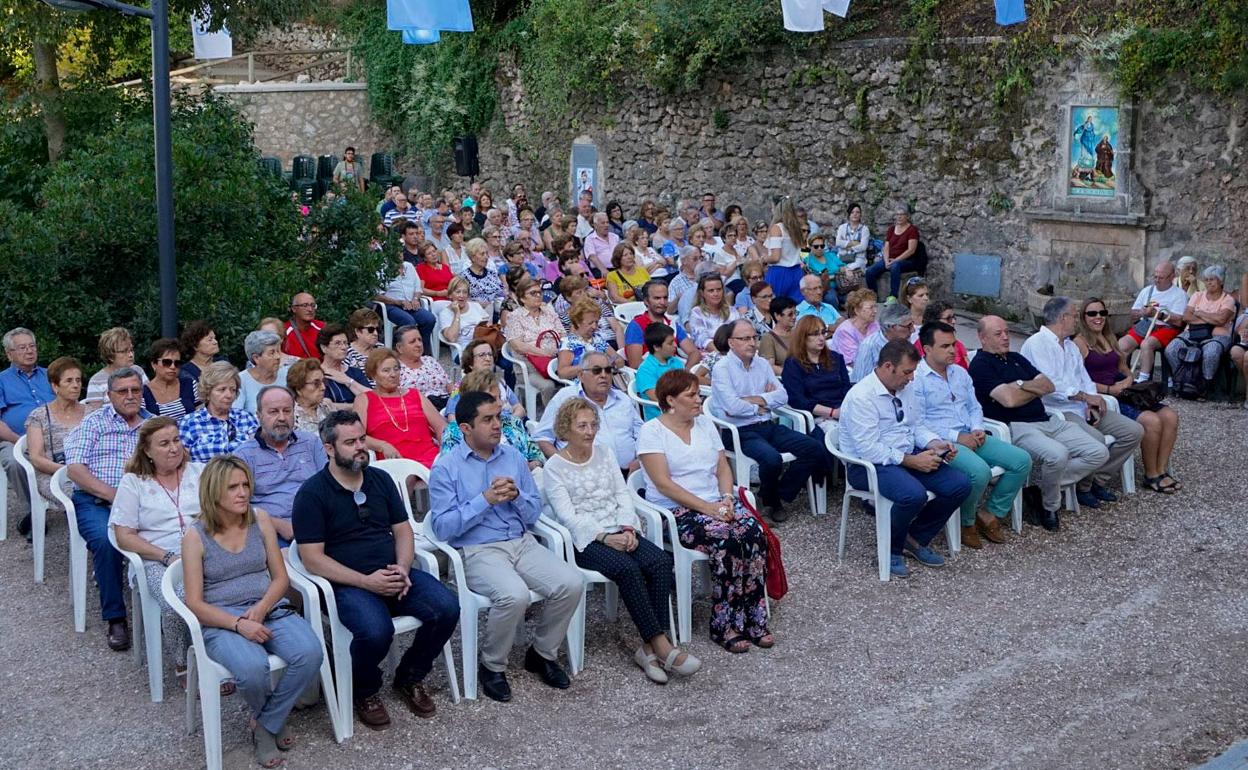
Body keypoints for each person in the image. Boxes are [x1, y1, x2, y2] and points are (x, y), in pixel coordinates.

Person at [293, 411, 460, 727]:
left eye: (362, 439)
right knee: (375, 631)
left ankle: (409, 677)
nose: (361, 447)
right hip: (348, 584)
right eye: (350, 442)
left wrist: (403, 568)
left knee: (447, 608)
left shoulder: (380, 479)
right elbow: (312, 559)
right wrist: (366, 582)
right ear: (328, 448)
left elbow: (403, 530)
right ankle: (365, 689)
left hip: (393, 572)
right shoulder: (313, 494)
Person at [428, 391, 584, 703]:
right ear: (466, 428)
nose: (497, 425)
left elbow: (533, 513)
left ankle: (542, 653)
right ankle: (492, 665)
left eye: (498, 417)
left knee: (571, 582)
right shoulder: (446, 467)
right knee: (514, 595)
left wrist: (518, 498)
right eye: (487, 419)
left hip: (521, 542)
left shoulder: (512, 457)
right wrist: (482, 501)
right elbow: (443, 529)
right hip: (478, 549)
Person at [543, 398, 700, 683]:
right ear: (566, 429)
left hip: (621, 528)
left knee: (660, 561)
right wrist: (604, 536)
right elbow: (567, 516)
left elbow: (622, 494)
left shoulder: (603, 453)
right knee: (628, 570)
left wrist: (628, 528)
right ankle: (662, 644)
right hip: (587, 540)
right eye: (582, 426)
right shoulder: (554, 467)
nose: (590, 431)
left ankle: (648, 649)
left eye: (593, 425)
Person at [183, 455, 325, 766]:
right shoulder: (195, 536)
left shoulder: (260, 519)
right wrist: (237, 624)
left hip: (268, 607)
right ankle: (272, 722)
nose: (242, 492)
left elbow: (280, 577)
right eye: (232, 487)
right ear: (213, 491)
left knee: (311, 652)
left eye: (245, 484)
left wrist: (261, 609)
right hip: (222, 620)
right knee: (251, 670)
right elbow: (194, 603)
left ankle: (265, 724)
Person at [638, 369, 772, 652]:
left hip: (715, 504)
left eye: (699, 393)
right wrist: (708, 508)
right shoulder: (651, 431)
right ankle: (724, 624)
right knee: (727, 540)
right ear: (671, 400)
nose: (699, 400)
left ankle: (752, 617)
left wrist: (726, 498)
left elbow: (723, 467)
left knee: (754, 532)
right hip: (676, 511)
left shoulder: (705, 424)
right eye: (692, 395)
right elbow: (663, 484)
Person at [839, 340, 971, 578]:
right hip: (867, 466)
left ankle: (913, 538)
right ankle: (890, 550)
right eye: (907, 372)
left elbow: (916, 425)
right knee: (913, 495)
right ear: (888, 366)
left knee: (959, 485)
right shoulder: (861, 396)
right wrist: (911, 460)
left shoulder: (904, 387)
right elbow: (869, 449)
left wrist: (935, 443)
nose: (911, 379)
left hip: (904, 456)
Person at [969, 316, 1110, 531]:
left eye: (1007, 331)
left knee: (1099, 452)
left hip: (1048, 420)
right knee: (1057, 455)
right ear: (982, 338)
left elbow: (1049, 385)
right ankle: (1050, 506)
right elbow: (1009, 401)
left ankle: (1042, 488)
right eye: (998, 334)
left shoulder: (1016, 358)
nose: (1006, 337)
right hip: (1018, 426)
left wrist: (1018, 385)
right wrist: (1031, 388)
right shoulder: (981, 365)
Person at [913, 322, 1032, 548]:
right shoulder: (917, 378)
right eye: (945, 346)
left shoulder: (959, 373)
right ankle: (966, 522)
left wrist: (977, 427)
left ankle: (990, 514)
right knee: (979, 472)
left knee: (1021, 460)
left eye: (953, 345)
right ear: (927, 349)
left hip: (972, 433)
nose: (952, 350)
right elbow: (918, 423)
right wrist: (958, 437)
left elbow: (974, 406)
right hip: (943, 442)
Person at [1021, 297, 1144, 508]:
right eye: (1074, 315)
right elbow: (1050, 386)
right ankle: (1078, 487)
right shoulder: (1037, 344)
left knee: (1134, 431)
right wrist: (1085, 397)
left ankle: (1096, 479)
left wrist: (1091, 402)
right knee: (1097, 441)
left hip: (1080, 407)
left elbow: (1083, 379)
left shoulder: (1069, 346)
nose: (1077, 320)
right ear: (1063, 318)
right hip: (1056, 410)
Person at [109, 417, 203, 681]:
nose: (174, 448)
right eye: (164, 443)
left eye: (176, 440)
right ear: (147, 451)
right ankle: (183, 661)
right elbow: (124, 536)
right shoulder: (134, 482)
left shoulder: (200, 472)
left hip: (203, 550)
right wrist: (166, 556)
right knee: (176, 596)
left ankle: (216, 654)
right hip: (155, 558)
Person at [66, 367, 152, 650]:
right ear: (109, 395)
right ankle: (116, 617)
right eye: (123, 391)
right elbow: (75, 470)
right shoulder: (94, 423)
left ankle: (169, 611)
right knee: (106, 541)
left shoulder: (153, 425)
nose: (130, 396)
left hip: (145, 501)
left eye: (135, 390)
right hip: (97, 500)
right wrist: (116, 495)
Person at [710, 319, 827, 523]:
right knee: (772, 459)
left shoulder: (761, 364)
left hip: (767, 425)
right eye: (745, 338)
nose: (752, 343)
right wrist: (761, 404)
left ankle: (776, 493)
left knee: (815, 448)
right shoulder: (723, 368)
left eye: (754, 337)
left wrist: (754, 400)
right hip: (739, 432)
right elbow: (731, 407)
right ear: (731, 343)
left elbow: (783, 395)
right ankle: (773, 502)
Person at [1075, 297, 1181, 494]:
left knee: (1170, 416)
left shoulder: (1110, 338)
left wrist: (1127, 379)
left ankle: (1161, 469)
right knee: (1152, 421)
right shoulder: (1079, 343)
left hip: (1125, 391)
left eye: (1102, 313)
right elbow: (1077, 380)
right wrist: (1108, 390)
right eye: (1092, 313)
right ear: (1083, 317)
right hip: (1105, 395)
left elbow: (1124, 368)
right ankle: (1151, 475)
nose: (1098, 317)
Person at [234, 386, 326, 546]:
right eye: (274, 412)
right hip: (271, 533)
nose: (282, 417)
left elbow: (329, 486)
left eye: (287, 410)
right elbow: (235, 506)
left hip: (320, 524)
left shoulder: (311, 443)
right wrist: (278, 525)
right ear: (259, 416)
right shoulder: (243, 456)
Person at [535, 352, 643, 472]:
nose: (604, 375)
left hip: (631, 471)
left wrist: (640, 460)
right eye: (596, 371)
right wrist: (565, 465)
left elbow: (641, 432)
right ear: (581, 375)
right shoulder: (564, 398)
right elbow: (543, 438)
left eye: (608, 370)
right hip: (583, 474)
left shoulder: (622, 398)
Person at [355, 349, 445, 467]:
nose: (393, 374)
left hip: (430, 456)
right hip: (395, 460)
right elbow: (356, 436)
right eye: (386, 370)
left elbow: (442, 427)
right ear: (373, 375)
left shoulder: (415, 394)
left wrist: (445, 452)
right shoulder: (364, 400)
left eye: (396, 369)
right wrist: (382, 445)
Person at [0, 327, 55, 517]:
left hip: (55, 436)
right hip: (16, 439)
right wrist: (21, 442)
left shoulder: (51, 375)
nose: (29, 351)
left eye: (32, 346)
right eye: (22, 348)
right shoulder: (1, 381)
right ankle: (31, 514)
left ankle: (75, 503)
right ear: (9, 354)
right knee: (14, 462)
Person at [23, 357, 85, 526]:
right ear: (55, 386)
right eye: (69, 381)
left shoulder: (91, 413)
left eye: (78, 380)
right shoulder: (39, 416)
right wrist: (68, 471)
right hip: (53, 474)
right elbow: (36, 458)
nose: (76, 385)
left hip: (88, 471)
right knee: (84, 497)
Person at [439, 369, 542, 467]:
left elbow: (536, 453)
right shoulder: (455, 433)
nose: (500, 403)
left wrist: (533, 464)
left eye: (500, 397)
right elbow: (449, 472)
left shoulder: (511, 422)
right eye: (492, 399)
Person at [1163, 265, 1236, 394]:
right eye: (1206, 280)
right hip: (1191, 332)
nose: (1209, 283)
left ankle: (1205, 386)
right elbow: (1186, 317)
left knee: (1211, 352)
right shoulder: (1197, 295)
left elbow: (1221, 320)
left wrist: (1199, 312)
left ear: (1221, 281)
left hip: (1218, 335)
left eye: (1213, 279)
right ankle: (1183, 380)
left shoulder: (1228, 300)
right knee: (1171, 349)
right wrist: (1211, 318)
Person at [1118, 261, 1188, 383]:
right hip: (1145, 325)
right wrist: (1142, 313)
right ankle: (1121, 375)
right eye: (1155, 276)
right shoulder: (1147, 291)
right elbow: (1133, 313)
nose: (1157, 280)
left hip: (1166, 328)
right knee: (1122, 344)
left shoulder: (1179, 295)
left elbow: (1179, 321)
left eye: (1161, 277)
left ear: (1171, 277)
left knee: (1147, 344)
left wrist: (1158, 314)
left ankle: (1143, 380)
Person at [781, 315, 852, 430]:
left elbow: (847, 388)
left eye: (823, 332)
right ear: (803, 337)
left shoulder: (836, 358)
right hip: (816, 416)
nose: (821, 338)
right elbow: (798, 400)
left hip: (843, 411)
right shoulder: (793, 364)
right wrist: (832, 412)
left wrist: (845, 410)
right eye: (815, 334)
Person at [180, 363, 260, 463]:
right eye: (222, 389)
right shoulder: (189, 423)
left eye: (233, 390)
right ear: (208, 392)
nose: (229, 395)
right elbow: (182, 463)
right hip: (206, 477)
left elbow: (259, 453)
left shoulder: (246, 418)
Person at [502, 275, 561, 410]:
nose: (538, 296)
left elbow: (562, 335)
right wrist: (545, 353)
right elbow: (518, 346)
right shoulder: (515, 317)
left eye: (539, 292)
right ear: (522, 298)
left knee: (577, 374)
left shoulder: (549, 312)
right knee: (548, 385)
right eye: (533, 293)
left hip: (556, 362)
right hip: (530, 369)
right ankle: (551, 417)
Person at [623, 280, 702, 370]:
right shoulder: (636, 326)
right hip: (652, 377)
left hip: (677, 373)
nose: (662, 302)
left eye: (665, 298)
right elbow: (636, 364)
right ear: (646, 301)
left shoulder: (672, 324)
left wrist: (685, 372)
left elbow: (694, 353)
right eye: (657, 298)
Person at [445, 340, 527, 422]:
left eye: (490, 354)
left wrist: (508, 423)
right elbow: (452, 418)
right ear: (470, 363)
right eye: (482, 355)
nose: (488, 359)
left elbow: (519, 408)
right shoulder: (462, 387)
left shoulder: (500, 383)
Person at [375, 248, 438, 353]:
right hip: (390, 306)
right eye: (395, 252)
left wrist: (415, 299)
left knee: (429, 319)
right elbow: (376, 295)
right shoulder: (381, 269)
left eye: (400, 252)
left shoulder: (409, 266)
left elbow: (418, 288)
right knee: (409, 322)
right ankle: (407, 353)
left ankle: (424, 354)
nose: (399, 255)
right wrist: (398, 302)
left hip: (410, 304)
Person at [864, 203, 922, 301]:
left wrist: (895, 260)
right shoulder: (891, 229)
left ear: (907, 216)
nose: (899, 216)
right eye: (897, 214)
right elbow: (886, 247)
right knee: (869, 271)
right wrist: (886, 261)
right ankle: (873, 297)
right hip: (889, 259)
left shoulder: (912, 230)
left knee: (895, 266)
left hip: (906, 260)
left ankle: (893, 296)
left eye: (901, 214)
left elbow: (911, 250)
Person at [556, 297, 621, 380]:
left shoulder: (597, 338)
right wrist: (589, 366)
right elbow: (562, 373)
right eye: (590, 323)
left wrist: (611, 362)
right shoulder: (568, 343)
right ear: (578, 322)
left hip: (606, 382)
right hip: (583, 387)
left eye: (596, 322)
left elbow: (618, 359)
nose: (594, 326)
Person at [852, 302, 915, 382]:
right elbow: (859, 383)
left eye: (913, 324)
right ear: (892, 327)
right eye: (908, 326)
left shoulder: (906, 339)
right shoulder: (868, 346)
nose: (913, 330)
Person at [85, 327, 149, 403]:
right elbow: (93, 413)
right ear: (110, 356)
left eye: (131, 350)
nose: (131, 355)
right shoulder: (96, 381)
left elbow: (149, 400)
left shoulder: (138, 371)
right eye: (124, 351)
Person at [394, 325, 451, 411]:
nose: (419, 344)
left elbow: (449, 384)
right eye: (412, 342)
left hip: (447, 405)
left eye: (420, 340)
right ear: (399, 348)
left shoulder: (430, 360)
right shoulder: (396, 369)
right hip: (420, 411)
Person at [762, 198, 806, 303]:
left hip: (779, 272)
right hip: (796, 272)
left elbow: (775, 257)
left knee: (774, 305)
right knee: (796, 307)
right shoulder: (795, 228)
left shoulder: (777, 228)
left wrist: (764, 259)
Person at [236, 330, 290, 415]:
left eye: (278, 351)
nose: (278, 357)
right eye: (271, 353)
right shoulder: (240, 381)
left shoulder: (287, 374)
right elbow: (236, 414)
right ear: (256, 358)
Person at [142, 338, 196, 420]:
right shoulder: (143, 393)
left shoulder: (190, 384)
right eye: (167, 362)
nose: (173, 367)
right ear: (154, 364)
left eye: (177, 363)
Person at [318, 324, 372, 405]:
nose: (344, 347)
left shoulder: (355, 372)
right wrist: (357, 406)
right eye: (338, 343)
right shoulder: (318, 375)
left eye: (345, 343)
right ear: (324, 348)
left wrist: (348, 381)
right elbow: (326, 407)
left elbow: (373, 400)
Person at [438, 276, 492, 356]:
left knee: (505, 362)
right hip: (463, 351)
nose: (462, 295)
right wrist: (457, 313)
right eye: (458, 292)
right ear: (450, 295)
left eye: (465, 292)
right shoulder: (445, 313)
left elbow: (488, 326)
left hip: (483, 345)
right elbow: (452, 338)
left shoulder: (476, 306)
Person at [686, 274, 733, 360]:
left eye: (719, 290)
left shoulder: (731, 311)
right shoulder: (696, 313)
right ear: (702, 293)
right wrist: (722, 358)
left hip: (733, 352)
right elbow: (702, 339)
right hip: (710, 356)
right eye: (711, 291)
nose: (716, 294)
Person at [285, 358, 335, 435]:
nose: (323, 387)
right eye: (316, 383)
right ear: (298, 388)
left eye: (324, 381)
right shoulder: (289, 417)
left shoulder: (327, 406)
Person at [831, 288, 879, 365]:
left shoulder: (874, 325)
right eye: (871, 307)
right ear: (856, 310)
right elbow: (852, 361)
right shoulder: (845, 331)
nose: (875, 311)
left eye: (875, 306)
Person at [916, 302, 969, 368]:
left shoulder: (958, 344)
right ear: (933, 320)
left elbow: (968, 366)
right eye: (948, 318)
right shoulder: (919, 347)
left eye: (953, 317)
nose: (953, 321)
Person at [758, 296, 798, 376]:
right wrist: (792, 374)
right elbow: (769, 367)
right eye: (790, 314)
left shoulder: (798, 333)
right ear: (777, 316)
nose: (794, 317)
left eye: (795, 313)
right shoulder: (768, 338)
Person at [178, 320, 221, 389]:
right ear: (195, 346)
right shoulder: (185, 372)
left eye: (215, 338)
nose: (215, 342)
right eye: (210, 340)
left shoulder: (223, 362)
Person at [283, 293, 326, 361]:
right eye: (304, 305)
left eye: (313, 305)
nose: (310, 309)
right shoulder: (284, 332)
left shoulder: (322, 327)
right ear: (294, 309)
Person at [344, 309, 384, 374]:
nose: (375, 333)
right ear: (357, 331)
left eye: (377, 329)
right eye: (370, 330)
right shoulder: (347, 353)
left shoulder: (382, 349)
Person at [834, 202, 871, 271]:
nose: (855, 214)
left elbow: (863, 246)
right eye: (852, 212)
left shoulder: (864, 229)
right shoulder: (842, 227)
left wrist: (847, 247)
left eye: (857, 212)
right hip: (842, 257)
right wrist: (853, 243)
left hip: (858, 259)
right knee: (836, 267)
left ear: (860, 215)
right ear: (849, 214)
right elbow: (838, 242)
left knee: (850, 269)